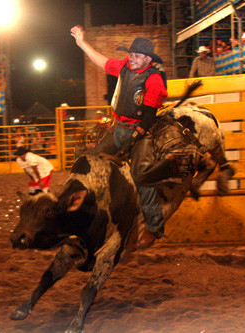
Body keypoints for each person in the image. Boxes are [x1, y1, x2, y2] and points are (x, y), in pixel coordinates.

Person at [70, 25, 172, 249]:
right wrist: (81, 43)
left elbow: (148, 117)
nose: (131, 58)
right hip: (118, 129)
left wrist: (135, 137)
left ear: (147, 58)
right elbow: (103, 62)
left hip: (140, 132)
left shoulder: (154, 79)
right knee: (90, 160)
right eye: (131, 54)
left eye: (136, 55)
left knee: (141, 175)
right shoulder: (125, 67)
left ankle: (154, 227)